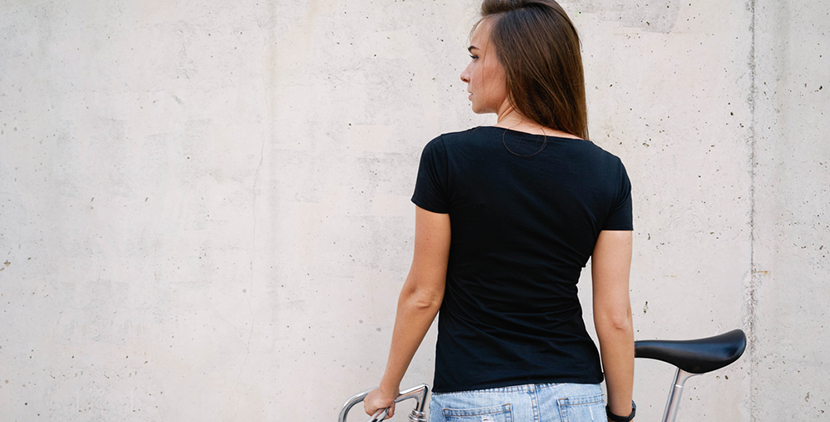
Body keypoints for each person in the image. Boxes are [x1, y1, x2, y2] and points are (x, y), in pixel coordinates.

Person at [364, 1, 635, 421]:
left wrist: (387, 389)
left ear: (517, 65)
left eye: (475, 57)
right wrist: (620, 413)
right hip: (575, 398)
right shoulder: (607, 171)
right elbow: (614, 316)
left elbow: (423, 294)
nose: (465, 72)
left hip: (478, 399)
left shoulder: (447, 157)